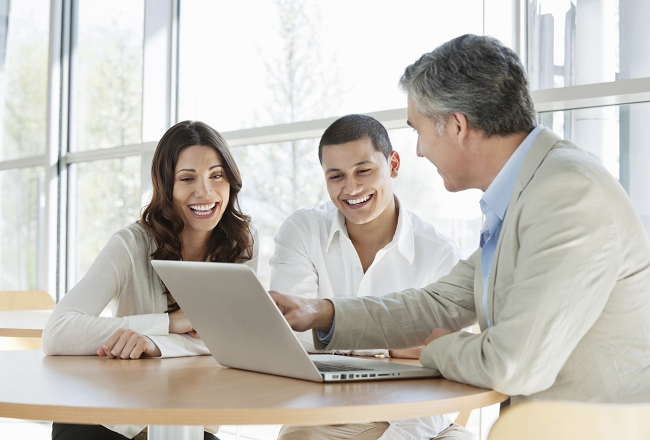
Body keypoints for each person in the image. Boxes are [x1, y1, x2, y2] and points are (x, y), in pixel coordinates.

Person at [270, 34, 650, 409]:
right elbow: (438, 302)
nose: (418, 149)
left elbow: (510, 364)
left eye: (418, 130)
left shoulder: (566, 194)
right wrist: (322, 313)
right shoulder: (525, 193)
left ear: (456, 126)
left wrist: (438, 349)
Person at [42, 120, 258, 440]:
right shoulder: (131, 244)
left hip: (188, 422)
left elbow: (241, 341)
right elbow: (57, 333)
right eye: (187, 179)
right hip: (109, 420)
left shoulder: (241, 244)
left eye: (217, 176)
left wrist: (155, 344)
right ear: (166, 185)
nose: (205, 192)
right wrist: (170, 323)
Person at [270, 114, 473, 440]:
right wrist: (390, 348)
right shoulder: (303, 231)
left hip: (416, 414)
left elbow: (442, 370)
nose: (351, 188)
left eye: (364, 170)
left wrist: (336, 342)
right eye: (336, 176)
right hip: (322, 416)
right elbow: (288, 339)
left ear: (393, 164)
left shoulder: (438, 254)